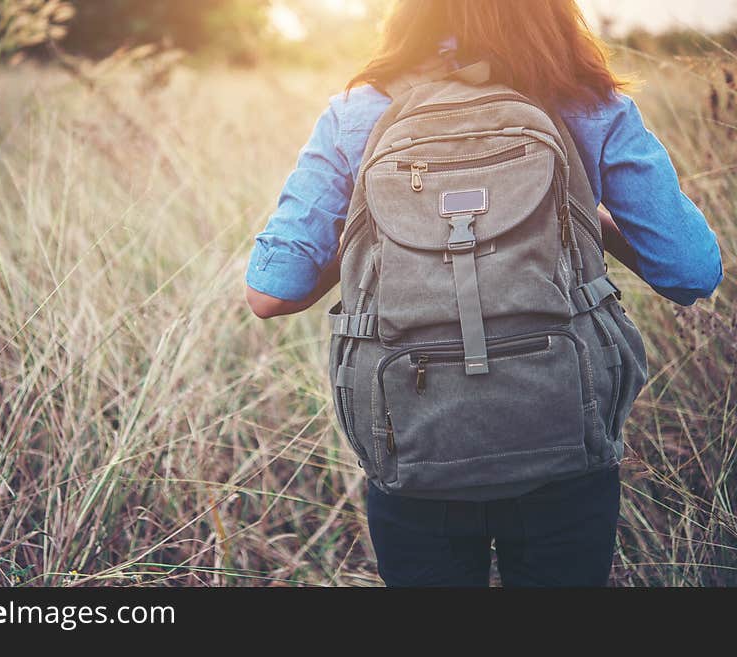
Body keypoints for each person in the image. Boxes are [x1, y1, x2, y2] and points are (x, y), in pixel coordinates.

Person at [243, 0, 723, 587]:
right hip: (563, 434)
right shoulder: (588, 104)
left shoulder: (358, 111)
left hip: (415, 440)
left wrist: (376, 226)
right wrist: (577, 212)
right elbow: (691, 271)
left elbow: (271, 293)